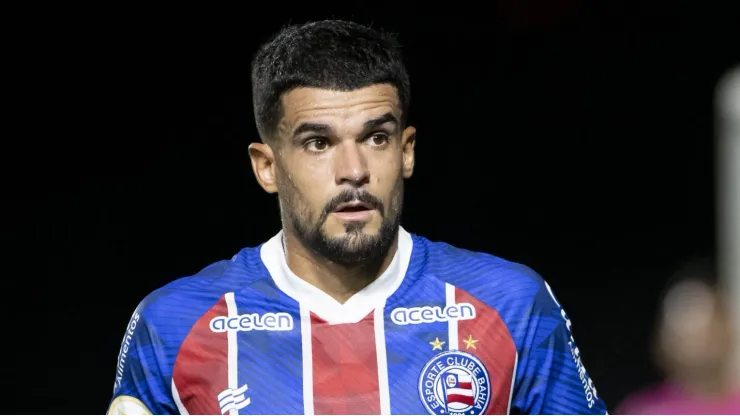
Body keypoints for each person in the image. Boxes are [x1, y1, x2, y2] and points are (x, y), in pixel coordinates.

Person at [107, 20, 607, 415]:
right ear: (266, 167)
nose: (354, 171)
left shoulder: (511, 304)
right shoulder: (173, 323)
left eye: (377, 137)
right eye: (318, 143)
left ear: (407, 151)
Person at [616, 260, 740, 414]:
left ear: (728, 329)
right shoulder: (644, 411)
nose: (695, 338)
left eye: (704, 319)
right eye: (682, 324)